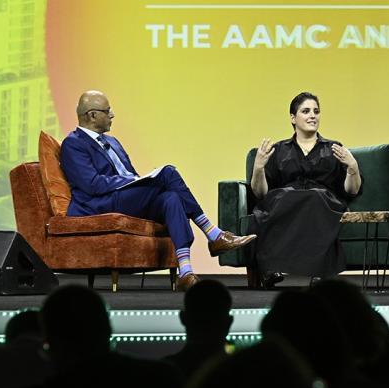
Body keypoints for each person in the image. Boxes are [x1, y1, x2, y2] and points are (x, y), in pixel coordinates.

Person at [60, 91, 255, 291]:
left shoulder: (113, 142)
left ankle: (186, 272)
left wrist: (137, 180)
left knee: (171, 198)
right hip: (99, 204)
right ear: (92, 115)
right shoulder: (73, 143)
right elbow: (92, 184)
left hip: (122, 197)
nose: (112, 115)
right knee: (168, 173)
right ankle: (213, 234)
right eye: (107, 111)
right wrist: (133, 181)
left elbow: (129, 173)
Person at [248, 92, 363, 286]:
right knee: (282, 199)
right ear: (293, 118)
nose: (313, 116)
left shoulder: (333, 147)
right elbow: (260, 193)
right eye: (306, 111)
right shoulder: (279, 149)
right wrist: (258, 168)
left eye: (316, 111)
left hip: (323, 201)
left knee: (314, 198)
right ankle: (271, 270)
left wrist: (353, 167)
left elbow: (351, 190)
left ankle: (318, 270)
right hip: (286, 199)